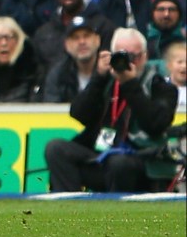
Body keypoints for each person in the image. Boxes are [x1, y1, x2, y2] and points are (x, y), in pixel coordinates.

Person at [44, 28, 178, 192]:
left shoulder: (160, 85)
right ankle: (69, 210)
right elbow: (79, 114)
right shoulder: (105, 81)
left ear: (144, 56)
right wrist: (98, 78)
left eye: (133, 57)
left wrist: (130, 85)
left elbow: (156, 124)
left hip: (142, 161)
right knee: (56, 148)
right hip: (103, 155)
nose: (128, 62)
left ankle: (117, 214)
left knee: (118, 162)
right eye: (120, 56)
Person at [40, 16, 101, 103]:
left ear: (97, 40)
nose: (82, 42)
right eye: (75, 38)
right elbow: (52, 109)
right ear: (67, 45)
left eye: (86, 36)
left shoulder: (109, 72)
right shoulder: (58, 75)